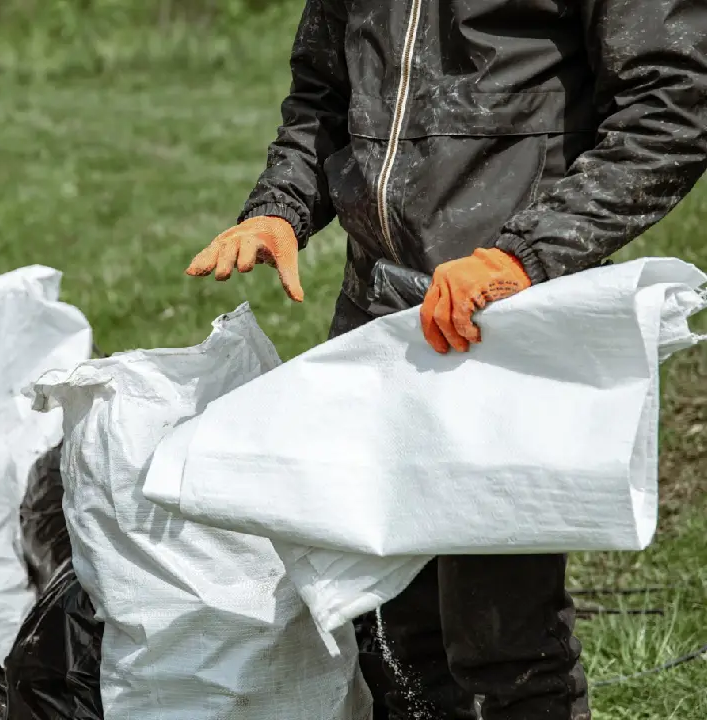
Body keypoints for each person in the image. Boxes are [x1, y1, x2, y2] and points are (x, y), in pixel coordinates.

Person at [184, 2, 707, 719]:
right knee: (394, 630)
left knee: (503, 636)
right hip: (379, 313)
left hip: (505, 321)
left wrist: (523, 256)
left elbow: (673, 109)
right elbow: (323, 92)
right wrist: (281, 204)